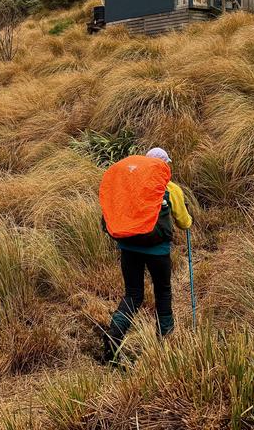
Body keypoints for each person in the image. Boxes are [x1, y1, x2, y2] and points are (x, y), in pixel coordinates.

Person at [97, 146, 192, 364]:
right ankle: (165, 341)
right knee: (163, 292)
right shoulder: (170, 189)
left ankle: (114, 336)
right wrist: (188, 221)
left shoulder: (129, 187)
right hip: (158, 252)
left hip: (128, 248)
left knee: (133, 294)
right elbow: (184, 222)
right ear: (163, 165)